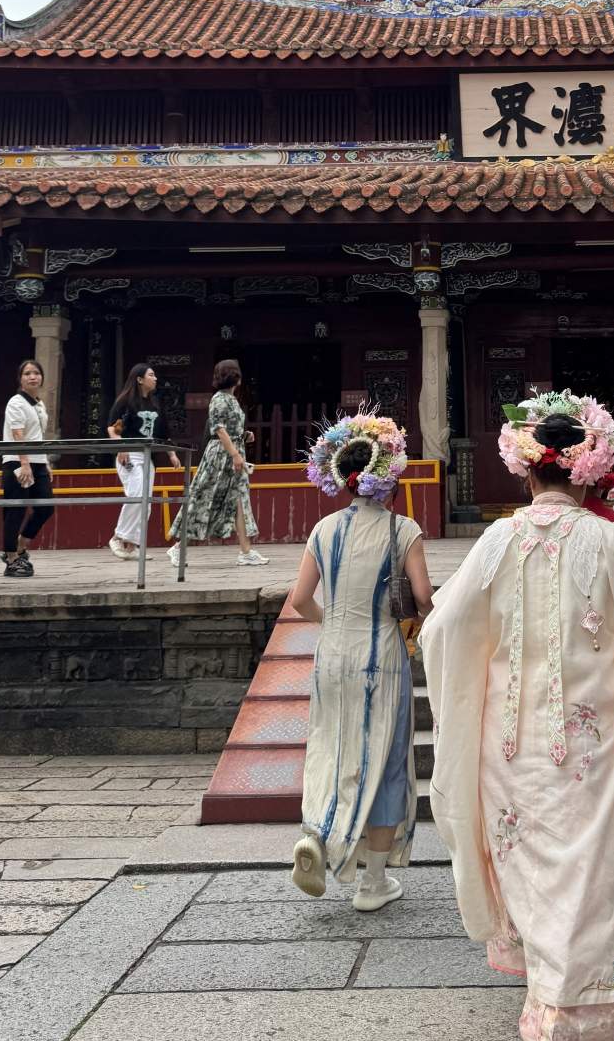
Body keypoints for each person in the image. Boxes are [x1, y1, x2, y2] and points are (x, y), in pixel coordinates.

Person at [421, 390, 614, 1041]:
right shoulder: (613, 543)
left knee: (541, 881)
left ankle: (552, 1034)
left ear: (526, 471)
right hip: (592, 745)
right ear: (592, 469)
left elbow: (442, 631)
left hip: (511, 750)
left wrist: (487, 681)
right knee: (588, 885)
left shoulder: (497, 540)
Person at [288, 411, 433, 909]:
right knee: (386, 760)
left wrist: (331, 620)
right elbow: (422, 594)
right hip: (382, 654)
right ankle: (373, 882)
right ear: (388, 476)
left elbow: (300, 599)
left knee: (332, 746)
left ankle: (318, 834)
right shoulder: (402, 529)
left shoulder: (323, 529)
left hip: (331, 653)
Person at [166, 359, 268, 567]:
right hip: (220, 457)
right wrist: (235, 454)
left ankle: (245, 551)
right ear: (236, 378)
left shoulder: (231, 400)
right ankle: (178, 547)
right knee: (203, 498)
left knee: (239, 499)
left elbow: (228, 429)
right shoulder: (219, 399)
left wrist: (244, 435)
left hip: (232, 454)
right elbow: (219, 429)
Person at [105, 363, 183, 560]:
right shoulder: (125, 401)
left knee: (145, 501)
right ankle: (118, 537)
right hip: (130, 454)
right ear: (139, 379)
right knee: (136, 494)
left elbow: (164, 433)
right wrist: (121, 447)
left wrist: (172, 454)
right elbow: (113, 429)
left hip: (148, 456)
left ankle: (131, 546)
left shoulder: (156, 403)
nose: (155, 378)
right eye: (151, 375)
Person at [0, 360, 56, 578]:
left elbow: (38, 437)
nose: (33, 377)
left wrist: (45, 462)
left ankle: (21, 545)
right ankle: (11, 557)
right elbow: (18, 434)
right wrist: (24, 463)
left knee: (46, 507)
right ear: (20, 378)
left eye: (36, 373)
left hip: (38, 461)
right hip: (17, 461)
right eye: (27, 373)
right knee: (16, 509)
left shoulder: (38, 404)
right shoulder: (16, 402)